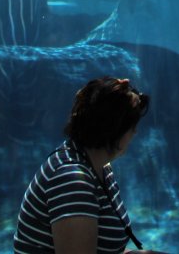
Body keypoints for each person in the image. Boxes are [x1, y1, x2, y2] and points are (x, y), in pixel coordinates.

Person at [14, 75, 165, 254]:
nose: (135, 131)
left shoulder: (99, 167)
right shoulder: (72, 179)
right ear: (114, 128)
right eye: (132, 125)